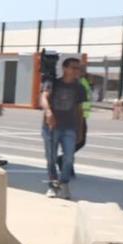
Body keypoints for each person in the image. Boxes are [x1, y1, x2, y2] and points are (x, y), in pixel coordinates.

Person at [41, 57, 89, 199]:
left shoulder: (79, 87)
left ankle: (64, 183)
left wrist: (80, 130)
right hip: (51, 127)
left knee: (68, 158)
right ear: (65, 68)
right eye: (74, 67)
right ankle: (52, 185)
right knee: (51, 158)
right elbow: (43, 97)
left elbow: (79, 109)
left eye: (78, 68)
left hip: (70, 127)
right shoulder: (53, 83)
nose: (77, 71)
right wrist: (48, 112)